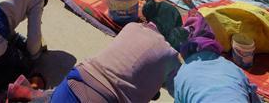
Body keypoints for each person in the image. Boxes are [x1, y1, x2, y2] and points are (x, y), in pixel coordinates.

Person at [50, 21, 181, 103]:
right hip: (105, 98)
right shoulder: (170, 54)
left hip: (74, 81)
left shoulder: (132, 26)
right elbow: (181, 92)